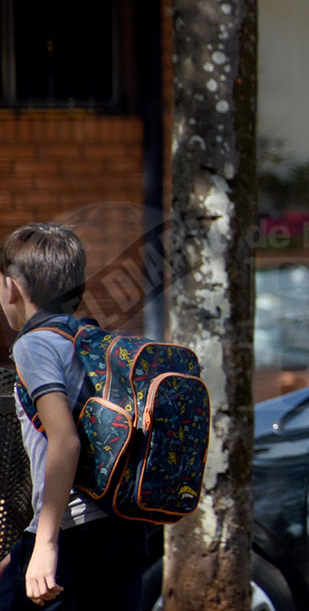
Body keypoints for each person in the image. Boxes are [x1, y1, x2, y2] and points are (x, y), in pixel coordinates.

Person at [0, 223, 149, 610]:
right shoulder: (90, 339)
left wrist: (45, 544)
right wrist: (23, 551)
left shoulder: (34, 345)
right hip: (120, 529)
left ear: (11, 287)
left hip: (71, 534)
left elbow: (65, 441)